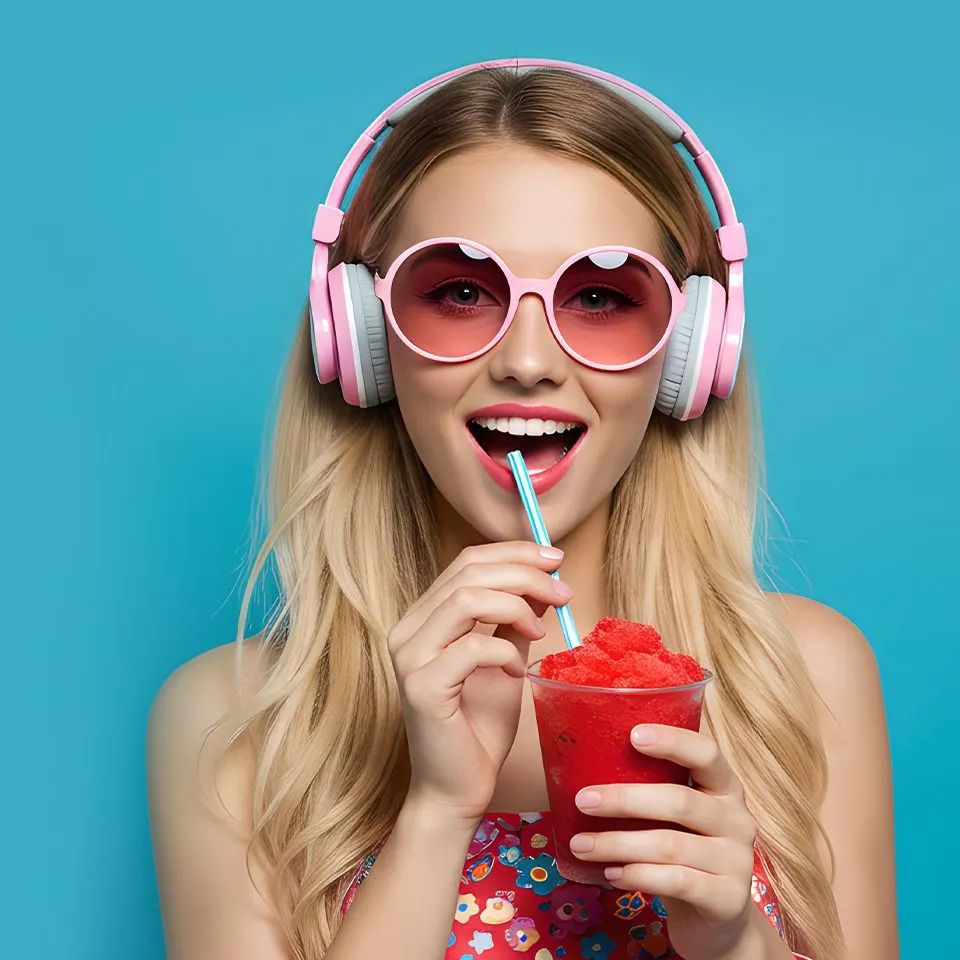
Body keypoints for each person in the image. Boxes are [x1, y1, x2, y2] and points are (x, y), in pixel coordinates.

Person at [146, 59, 896, 960]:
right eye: (462, 292)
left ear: (689, 357)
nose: (530, 361)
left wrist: (736, 941)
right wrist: (435, 813)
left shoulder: (801, 677)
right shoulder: (232, 723)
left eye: (601, 297)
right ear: (363, 337)